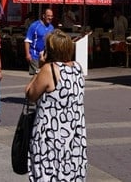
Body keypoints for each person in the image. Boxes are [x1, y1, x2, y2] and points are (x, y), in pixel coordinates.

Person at [25, 30, 87, 181]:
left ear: (50, 50)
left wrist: (39, 69)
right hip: (74, 136)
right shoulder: (77, 68)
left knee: (48, 175)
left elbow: (30, 94)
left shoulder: (50, 70)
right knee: (70, 175)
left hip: (50, 137)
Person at [24, 8, 54, 75]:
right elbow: (27, 40)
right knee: (37, 76)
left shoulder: (51, 27)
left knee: (44, 76)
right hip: (35, 55)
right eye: (48, 16)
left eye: (51, 16)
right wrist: (27, 54)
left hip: (46, 57)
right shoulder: (34, 26)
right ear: (44, 16)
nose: (50, 18)